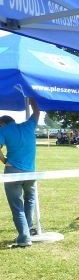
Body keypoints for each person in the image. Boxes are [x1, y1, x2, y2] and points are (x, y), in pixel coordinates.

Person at [0, 98, 39, 248]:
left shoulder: (3, 130)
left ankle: (24, 238)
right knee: (30, 200)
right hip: (31, 172)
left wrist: (4, 160)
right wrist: (32, 98)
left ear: (2, 123)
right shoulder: (29, 126)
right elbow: (37, 112)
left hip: (13, 171)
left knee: (17, 205)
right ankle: (28, 229)